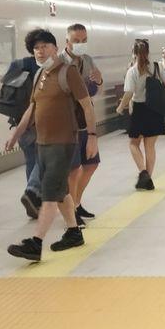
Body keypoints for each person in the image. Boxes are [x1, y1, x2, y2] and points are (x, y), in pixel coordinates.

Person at [5, 29, 95, 261]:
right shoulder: (39, 76)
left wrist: (92, 137)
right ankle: (74, 233)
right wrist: (17, 133)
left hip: (63, 142)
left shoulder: (68, 72)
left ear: (55, 48)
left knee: (49, 194)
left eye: (44, 46)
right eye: (36, 48)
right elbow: (32, 109)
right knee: (60, 191)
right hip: (42, 143)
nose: (40, 51)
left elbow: (87, 106)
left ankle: (35, 243)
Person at [61, 23, 102, 224]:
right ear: (67, 41)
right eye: (76, 41)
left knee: (91, 163)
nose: (81, 44)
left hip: (86, 119)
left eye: (84, 40)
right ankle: (71, 213)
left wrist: (99, 81)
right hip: (68, 123)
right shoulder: (59, 63)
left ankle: (76, 203)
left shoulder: (87, 60)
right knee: (73, 170)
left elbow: (93, 90)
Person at [116, 39, 165, 191]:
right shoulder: (157, 66)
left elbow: (128, 93)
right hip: (155, 110)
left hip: (140, 109)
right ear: (148, 52)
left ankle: (143, 172)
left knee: (134, 143)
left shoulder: (132, 71)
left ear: (133, 53)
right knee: (150, 146)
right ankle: (148, 179)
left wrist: (120, 107)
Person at [0, 39, 42, 219]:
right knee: (45, 159)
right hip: (39, 121)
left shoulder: (17, 65)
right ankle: (32, 192)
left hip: (19, 121)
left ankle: (32, 198)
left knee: (31, 160)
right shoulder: (44, 68)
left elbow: (4, 93)